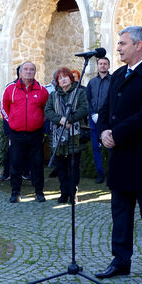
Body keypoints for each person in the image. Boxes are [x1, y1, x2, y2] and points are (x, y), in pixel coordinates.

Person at [96, 26, 142, 282]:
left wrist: (116, 134)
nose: (118, 47)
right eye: (118, 43)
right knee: (120, 213)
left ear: (138, 45)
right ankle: (121, 261)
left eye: (122, 43)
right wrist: (104, 130)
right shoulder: (117, 75)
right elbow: (105, 108)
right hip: (119, 157)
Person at [1, 61, 49, 203]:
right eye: (26, 69)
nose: (29, 72)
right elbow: (4, 107)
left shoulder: (42, 90)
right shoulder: (11, 89)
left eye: (32, 69)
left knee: (37, 164)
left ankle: (39, 192)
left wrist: (40, 122)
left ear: (35, 72)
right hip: (17, 133)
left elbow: (46, 109)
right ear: (20, 72)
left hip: (35, 134)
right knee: (15, 164)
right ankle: (15, 192)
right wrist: (12, 121)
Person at [44, 67, 88, 203]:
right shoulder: (53, 95)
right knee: (61, 167)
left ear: (71, 78)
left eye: (65, 77)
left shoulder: (79, 92)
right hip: (58, 137)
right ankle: (63, 192)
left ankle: (73, 193)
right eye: (59, 78)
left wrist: (69, 119)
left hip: (75, 136)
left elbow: (84, 108)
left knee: (73, 167)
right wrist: (61, 120)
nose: (62, 80)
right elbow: (48, 110)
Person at [86, 56, 111, 184]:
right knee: (96, 147)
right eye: (100, 63)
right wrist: (92, 114)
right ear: (98, 66)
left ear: (108, 66)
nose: (102, 66)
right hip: (94, 119)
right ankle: (100, 173)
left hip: (107, 119)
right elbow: (87, 100)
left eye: (105, 64)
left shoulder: (113, 81)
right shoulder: (91, 83)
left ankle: (111, 174)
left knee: (110, 146)